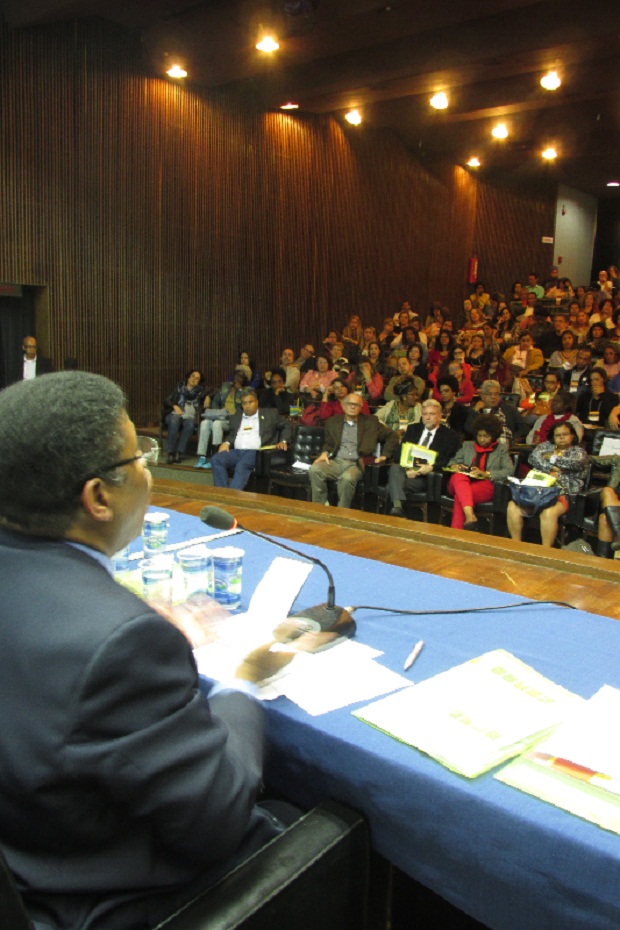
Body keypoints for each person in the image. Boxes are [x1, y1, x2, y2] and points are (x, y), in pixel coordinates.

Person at [0, 371, 287, 930]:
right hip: (116, 902)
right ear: (99, 497)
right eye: (140, 459)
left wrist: (117, 615)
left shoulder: (109, 627)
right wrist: (239, 677)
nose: (149, 473)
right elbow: (219, 822)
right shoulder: (121, 644)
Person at [507, 421, 589, 547]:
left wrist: (551, 458)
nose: (561, 437)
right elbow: (533, 458)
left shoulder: (579, 452)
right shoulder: (545, 447)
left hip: (563, 494)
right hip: (538, 492)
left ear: (572, 436)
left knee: (549, 512)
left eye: (565, 434)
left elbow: (575, 463)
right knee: (513, 507)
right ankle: (516, 546)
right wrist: (553, 469)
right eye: (558, 435)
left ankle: (546, 551)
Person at [309, 393, 398, 508]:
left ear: (361, 407)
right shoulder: (333, 422)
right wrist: (325, 452)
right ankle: (320, 506)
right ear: (344, 406)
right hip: (337, 461)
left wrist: (385, 455)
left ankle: (342, 512)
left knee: (347, 478)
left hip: (357, 464)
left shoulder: (371, 422)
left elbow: (392, 436)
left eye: (356, 404)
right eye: (350, 404)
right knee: (315, 469)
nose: (352, 407)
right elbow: (329, 444)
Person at [387, 399, 460, 517]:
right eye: (425, 414)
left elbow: (449, 461)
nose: (428, 417)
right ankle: (398, 509)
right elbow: (398, 452)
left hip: (426, 478)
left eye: (432, 414)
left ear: (440, 415)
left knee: (390, 487)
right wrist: (408, 470)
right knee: (395, 468)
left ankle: (397, 508)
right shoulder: (413, 429)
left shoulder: (450, 436)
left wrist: (431, 467)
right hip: (405, 473)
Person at [210, 388, 292, 491]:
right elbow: (232, 434)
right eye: (244, 403)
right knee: (216, 459)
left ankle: (232, 496)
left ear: (256, 402)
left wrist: (284, 441)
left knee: (242, 465)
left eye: (250, 402)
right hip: (237, 451)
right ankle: (222, 492)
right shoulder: (236, 417)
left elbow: (287, 425)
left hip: (257, 452)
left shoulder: (270, 414)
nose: (248, 405)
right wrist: (226, 442)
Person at [445, 414, 513, 530]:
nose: (482, 439)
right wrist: (455, 466)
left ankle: (459, 528)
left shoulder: (501, 449)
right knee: (458, 477)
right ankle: (469, 517)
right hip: (460, 482)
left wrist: (487, 474)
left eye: (486, 436)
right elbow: (452, 461)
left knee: (460, 496)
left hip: (484, 485)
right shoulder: (467, 446)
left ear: (493, 435)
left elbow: (509, 471)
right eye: (479, 436)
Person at [195, 370, 247, 470]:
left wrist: (239, 390)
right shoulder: (226, 387)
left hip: (232, 420)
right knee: (205, 423)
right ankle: (202, 456)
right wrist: (217, 412)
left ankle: (215, 455)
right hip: (220, 416)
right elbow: (216, 401)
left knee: (217, 424)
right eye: (236, 376)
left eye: (240, 377)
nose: (237, 379)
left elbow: (244, 406)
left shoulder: (246, 391)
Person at [163, 369, 205, 464]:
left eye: (197, 379)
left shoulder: (199, 392)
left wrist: (207, 397)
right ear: (189, 377)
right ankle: (171, 452)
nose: (194, 379)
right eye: (193, 376)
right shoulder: (178, 387)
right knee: (174, 420)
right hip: (174, 413)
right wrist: (174, 406)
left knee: (190, 425)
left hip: (189, 415)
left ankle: (179, 452)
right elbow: (166, 400)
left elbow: (213, 391)